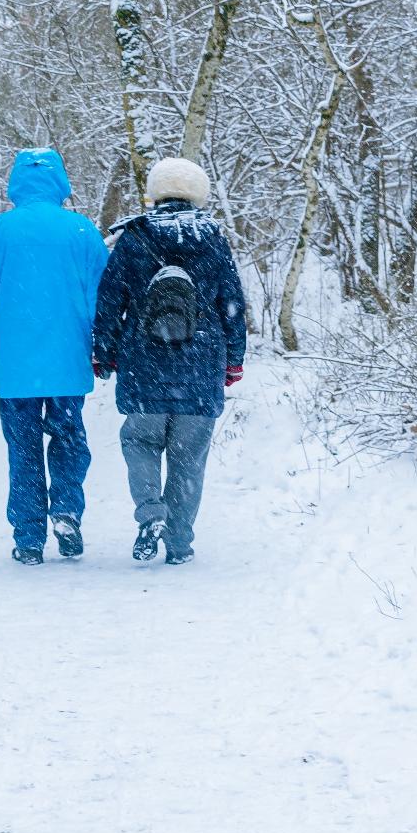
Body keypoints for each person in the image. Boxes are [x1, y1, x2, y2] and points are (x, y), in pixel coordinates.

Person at [0, 148, 109, 565]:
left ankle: (28, 537)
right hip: (68, 360)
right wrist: (106, 345)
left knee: (22, 449)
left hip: (17, 366)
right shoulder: (81, 231)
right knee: (69, 440)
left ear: (16, 183)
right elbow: (104, 299)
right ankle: (67, 510)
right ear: (60, 182)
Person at [91, 157, 246, 565]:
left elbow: (109, 302)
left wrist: (103, 353)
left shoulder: (134, 237)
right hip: (200, 366)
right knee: (188, 458)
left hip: (144, 365)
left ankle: (150, 513)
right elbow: (232, 303)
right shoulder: (213, 238)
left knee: (139, 442)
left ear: (155, 192)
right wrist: (234, 360)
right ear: (199, 193)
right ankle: (179, 545)